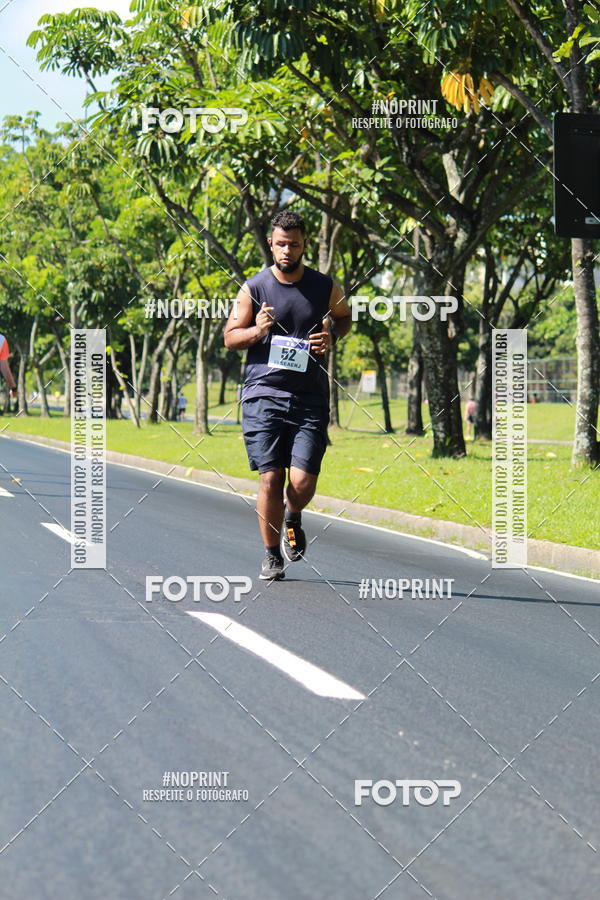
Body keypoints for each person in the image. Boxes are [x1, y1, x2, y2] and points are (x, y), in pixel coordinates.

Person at [224, 210, 352, 580]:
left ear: (304, 245)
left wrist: (333, 335)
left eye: (293, 245)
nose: (286, 250)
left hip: (310, 397)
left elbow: (344, 318)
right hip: (264, 394)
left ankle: (293, 515)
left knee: (301, 482)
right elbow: (231, 337)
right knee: (270, 477)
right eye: (280, 243)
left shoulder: (324, 286)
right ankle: (270, 555)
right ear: (271, 243)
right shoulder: (254, 288)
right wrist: (257, 330)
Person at [0, 333, 17, 409]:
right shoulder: (1, 339)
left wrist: (13, 388)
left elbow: (5, 368)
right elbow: (5, 368)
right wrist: (14, 388)